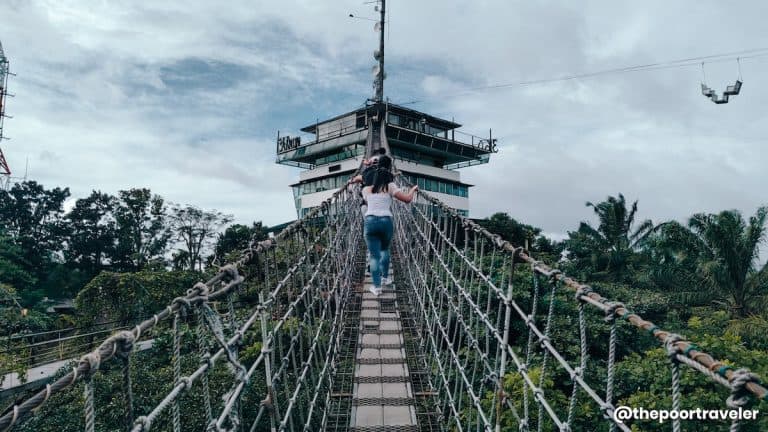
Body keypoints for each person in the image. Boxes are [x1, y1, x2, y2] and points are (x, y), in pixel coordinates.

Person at [359, 155, 418, 295]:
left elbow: (369, 204)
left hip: (370, 221)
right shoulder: (390, 186)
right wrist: (413, 189)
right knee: (384, 250)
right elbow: (408, 200)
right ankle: (385, 278)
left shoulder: (365, 190)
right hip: (386, 221)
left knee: (374, 256)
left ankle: (377, 287)